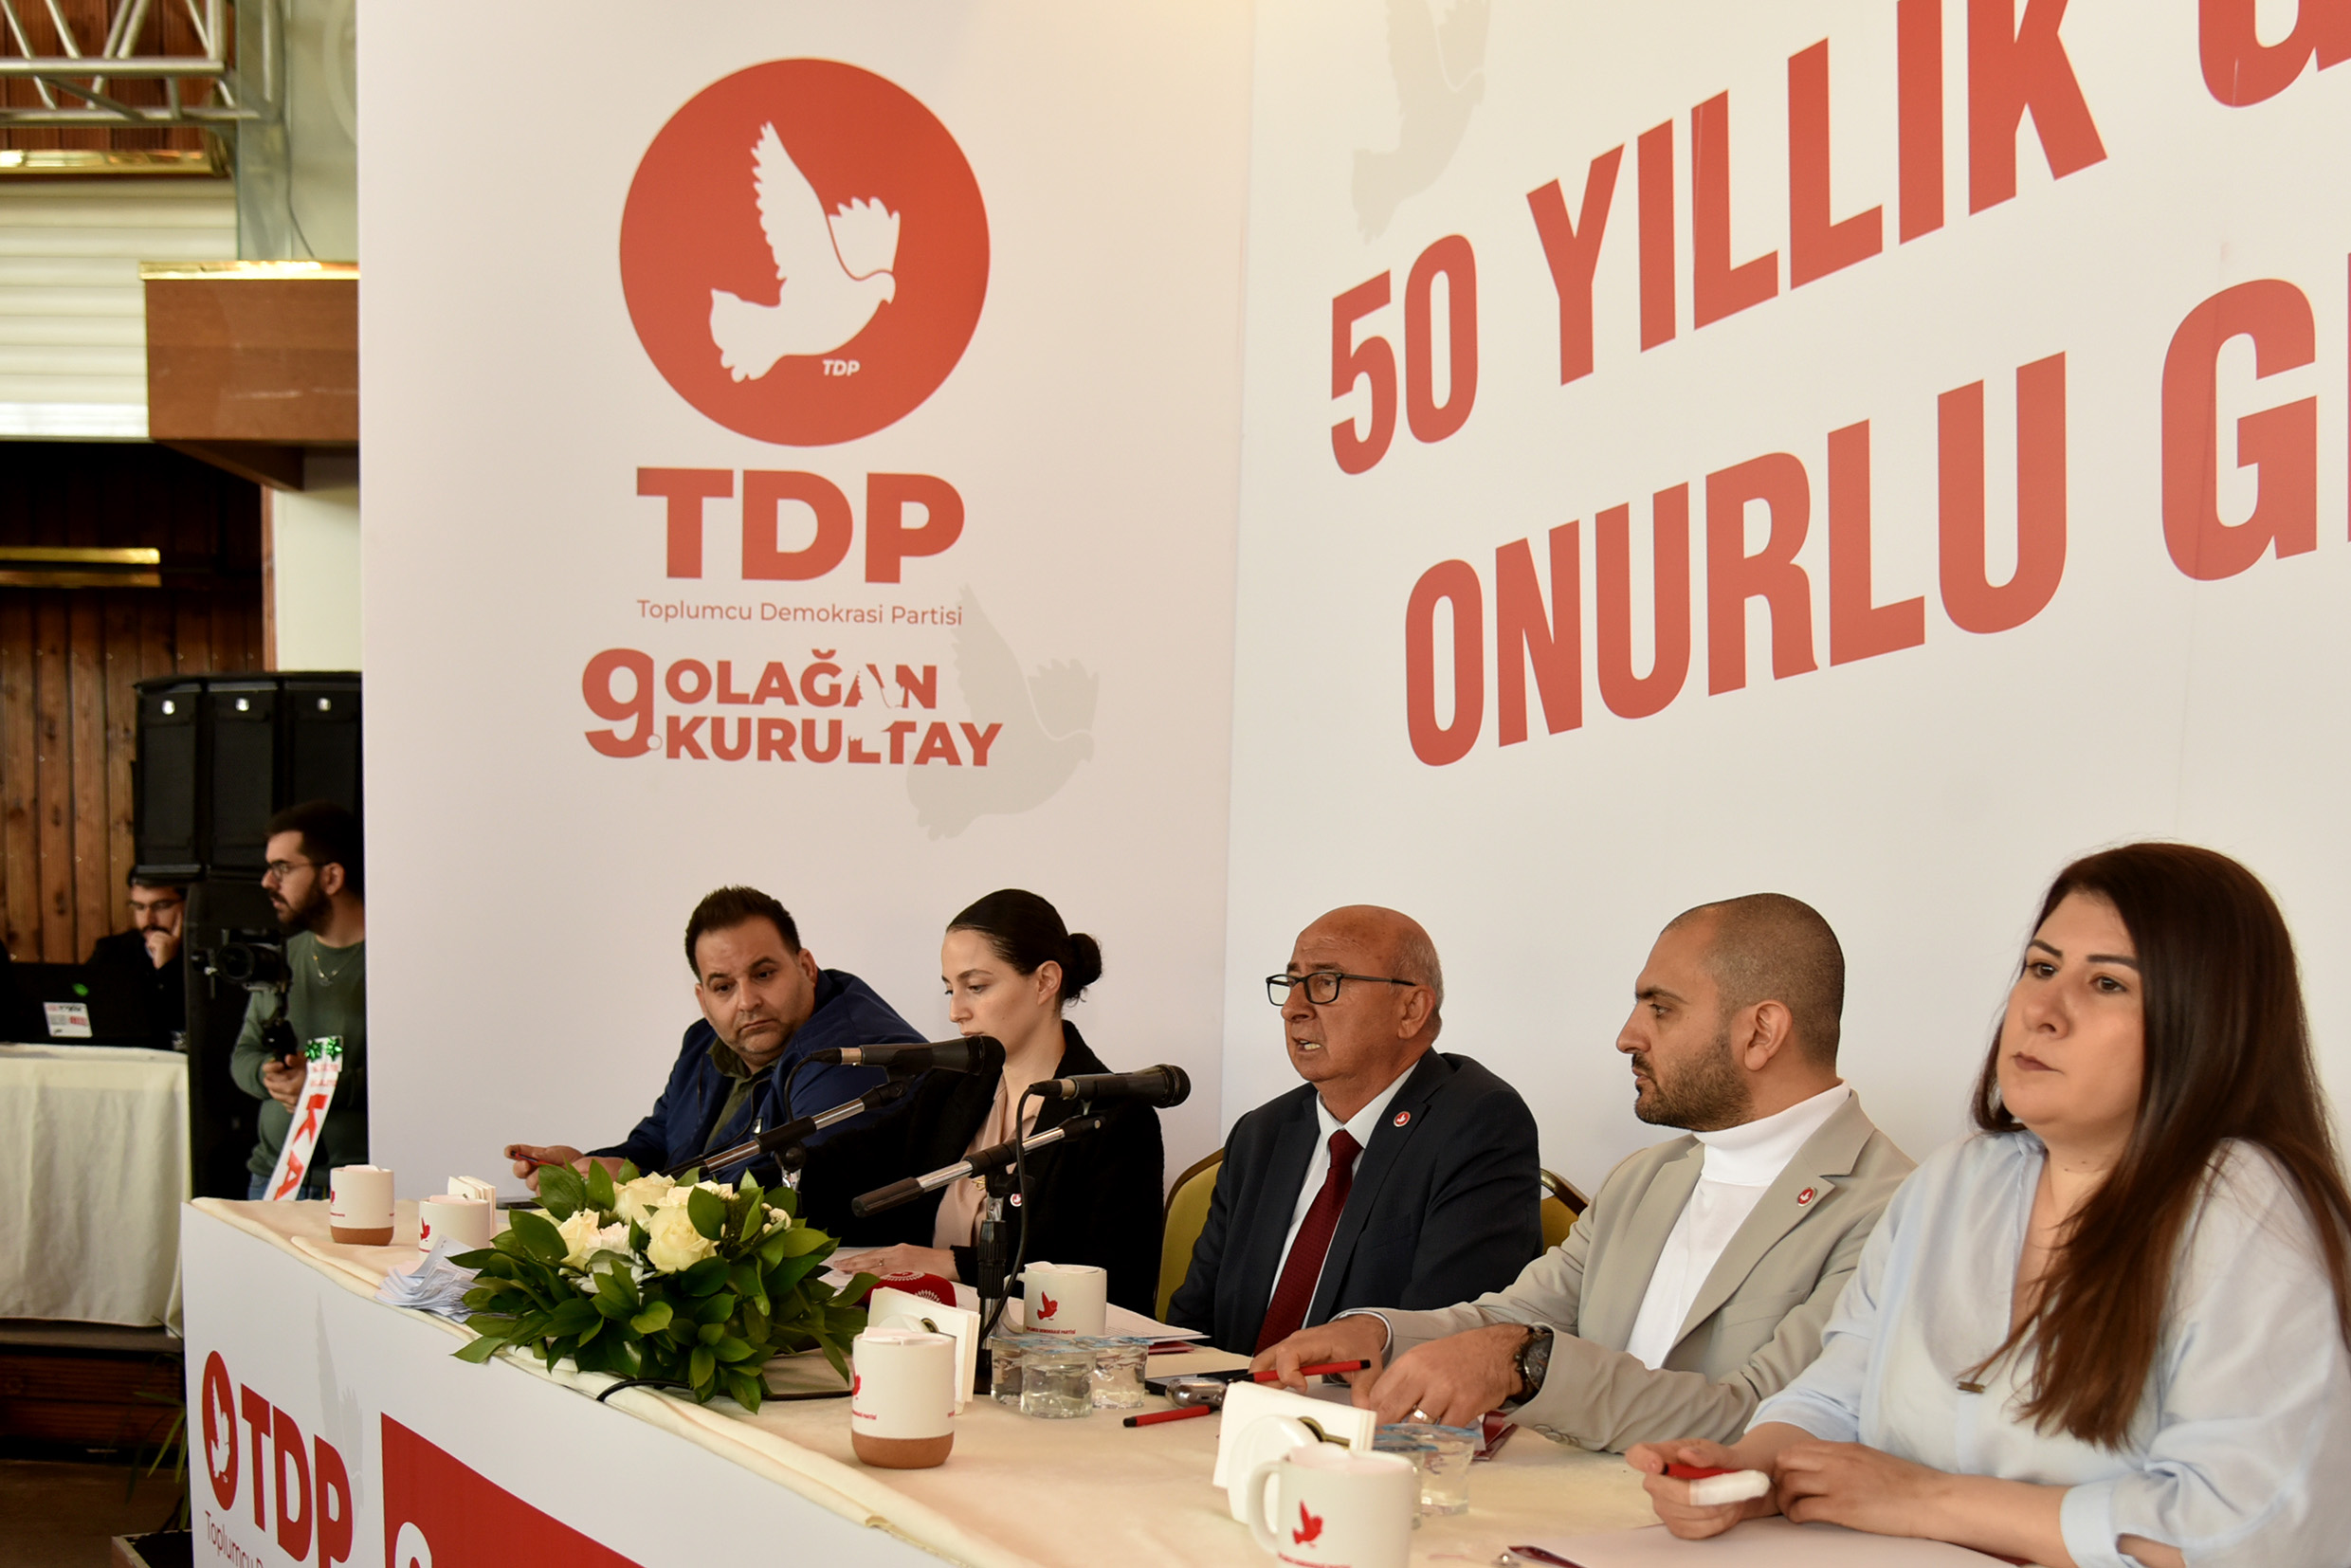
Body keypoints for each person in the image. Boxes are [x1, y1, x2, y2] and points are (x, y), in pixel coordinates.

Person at [1635, 846, 2351, 1568]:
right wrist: (1746, 1472)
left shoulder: (2250, 1208)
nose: (2043, 1011)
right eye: (2041, 968)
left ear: (2209, 1021)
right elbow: (1835, 1395)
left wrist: (1926, 1500)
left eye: (2106, 983)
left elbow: (2243, 1532)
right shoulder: (1958, 1179)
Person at [1257, 894, 1912, 1452]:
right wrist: (1376, 1333)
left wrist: (1525, 1365)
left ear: (1761, 1032)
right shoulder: (1645, 1177)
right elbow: (1511, 1315)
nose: (1627, 1035)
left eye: (1661, 1008)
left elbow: (1759, 1422)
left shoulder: (1897, 1212)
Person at [1168, 905, 1542, 1354]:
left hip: (1364, 1399)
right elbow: (1191, 1326)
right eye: (1291, 983)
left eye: (1326, 982)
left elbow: (1448, 1344)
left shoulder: (1479, 1124)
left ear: (1411, 1009)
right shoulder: (1263, 1133)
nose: (1292, 1009)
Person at [798, 889, 1167, 1313]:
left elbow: (1115, 1287)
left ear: (1045, 981)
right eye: (949, 991)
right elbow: (847, 1168)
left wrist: (955, 1264)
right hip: (923, 1329)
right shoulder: (951, 1087)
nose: (956, 1011)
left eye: (975, 987)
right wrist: (747, 1192)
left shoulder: (1116, 1117)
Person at [506, 885, 923, 1188]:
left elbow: (793, 1190)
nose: (747, 1001)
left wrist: (638, 1188)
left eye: (764, 974)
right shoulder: (703, 1043)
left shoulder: (852, 1053)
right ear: (703, 999)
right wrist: (590, 1168)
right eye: (724, 987)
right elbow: (659, 1141)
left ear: (807, 968)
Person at [228, 802, 367, 1199]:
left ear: (332, 876)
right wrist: (270, 1076)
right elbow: (244, 1055)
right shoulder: (284, 958)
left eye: (282, 868)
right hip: (273, 1178)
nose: (267, 882)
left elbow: (416, 1075)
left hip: (358, 1186)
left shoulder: (394, 964)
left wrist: (324, 1086)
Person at [87, 872, 189, 1044]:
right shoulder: (111, 951)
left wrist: (167, 969)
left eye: (161, 906)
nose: (148, 919)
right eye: (140, 907)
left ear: (188, 905)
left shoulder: (207, 955)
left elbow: (181, 1025)